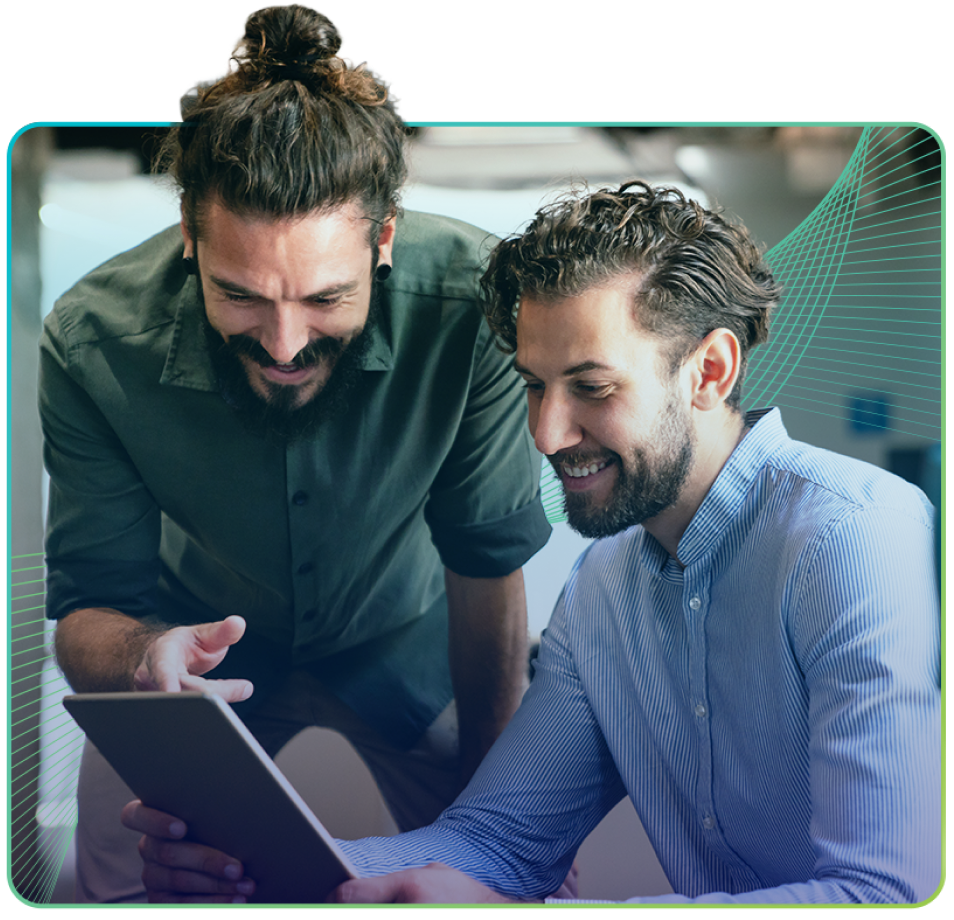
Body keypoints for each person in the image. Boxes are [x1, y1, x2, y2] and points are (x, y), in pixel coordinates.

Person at [122, 180, 941, 904]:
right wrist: (253, 865)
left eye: (591, 387)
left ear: (711, 371)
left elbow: (880, 892)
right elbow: (498, 841)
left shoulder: (850, 535)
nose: (547, 434)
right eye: (534, 386)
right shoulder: (604, 586)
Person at [41, 4, 549, 903]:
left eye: (325, 298)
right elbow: (90, 611)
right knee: (113, 876)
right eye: (239, 295)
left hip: (415, 644)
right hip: (196, 661)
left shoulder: (479, 309)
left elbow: (486, 568)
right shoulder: (91, 339)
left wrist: (496, 819)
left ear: (382, 238)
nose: (282, 345)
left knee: (515, 878)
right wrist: (145, 655)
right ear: (192, 234)